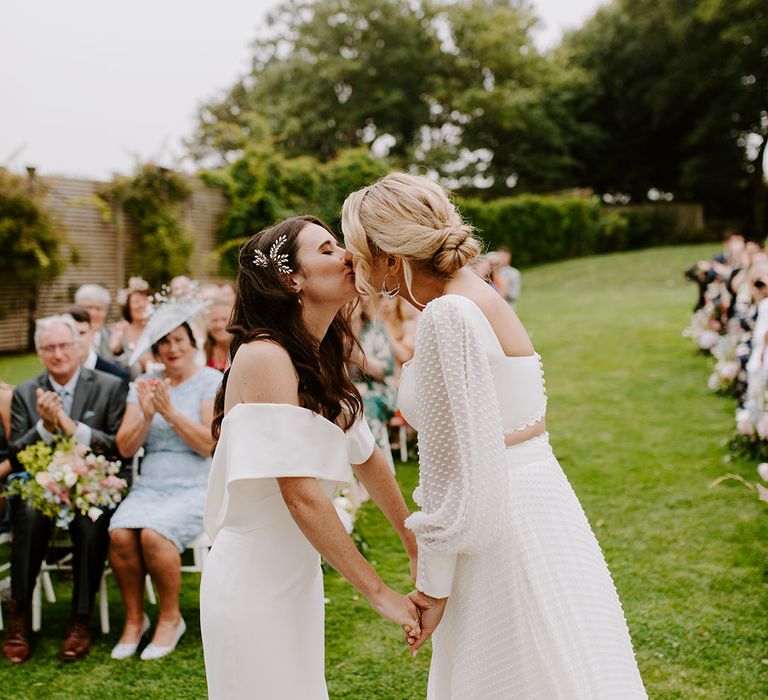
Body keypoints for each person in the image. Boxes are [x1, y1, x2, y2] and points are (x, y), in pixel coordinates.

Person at [342, 172, 647, 698]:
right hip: (539, 505)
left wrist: (432, 589)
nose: (362, 270)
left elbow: (452, 471)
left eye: (363, 254)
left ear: (391, 255)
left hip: (497, 531)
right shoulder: (477, 295)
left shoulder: (447, 315)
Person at [200, 216, 420, 699]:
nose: (346, 255)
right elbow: (298, 494)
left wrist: (413, 543)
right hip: (252, 579)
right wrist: (379, 592)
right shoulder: (264, 357)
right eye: (326, 249)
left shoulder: (322, 354)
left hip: (295, 573)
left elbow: (368, 457)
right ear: (290, 278)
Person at [2, 314, 128, 664]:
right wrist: (44, 426)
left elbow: (115, 446)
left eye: (63, 345)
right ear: (40, 353)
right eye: (49, 348)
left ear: (77, 346)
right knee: (27, 511)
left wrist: (70, 427)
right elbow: (17, 454)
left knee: (92, 517)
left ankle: (80, 619)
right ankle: (19, 616)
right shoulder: (27, 391)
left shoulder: (108, 386)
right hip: (42, 485)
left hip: (92, 483)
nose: (57, 354)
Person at [108, 305, 221, 661]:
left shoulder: (210, 382)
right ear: (156, 350)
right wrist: (147, 412)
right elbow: (126, 447)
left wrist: (170, 413)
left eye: (179, 340)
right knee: (120, 533)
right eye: (164, 343)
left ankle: (171, 619)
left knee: (154, 535)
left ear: (192, 343)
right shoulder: (143, 385)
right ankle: (134, 620)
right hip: (150, 483)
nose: (172, 348)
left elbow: (208, 446)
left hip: (194, 483)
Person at [66, 305, 130, 384]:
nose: (76, 339)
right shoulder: (52, 377)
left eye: (81, 333)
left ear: (92, 333)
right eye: (71, 334)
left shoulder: (117, 377)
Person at [110, 278, 152, 378]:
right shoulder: (121, 329)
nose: (141, 305)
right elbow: (112, 354)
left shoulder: (156, 328)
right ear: (128, 307)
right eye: (136, 301)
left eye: (145, 300)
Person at [74, 284, 113, 359]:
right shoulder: (69, 336)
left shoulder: (112, 336)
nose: (93, 313)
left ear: (106, 311)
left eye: (99, 308)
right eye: (89, 307)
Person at [203, 298, 233, 372]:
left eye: (224, 319)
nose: (219, 325)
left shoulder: (242, 350)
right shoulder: (202, 353)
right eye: (214, 320)